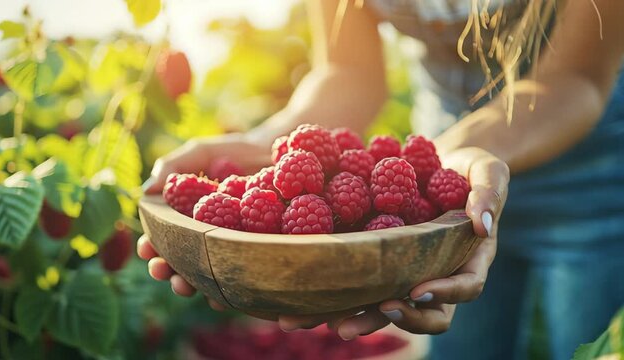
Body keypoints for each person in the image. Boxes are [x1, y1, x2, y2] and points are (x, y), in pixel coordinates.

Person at [138, 0, 624, 359]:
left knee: (590, 346)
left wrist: (435, 164)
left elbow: (574, 79)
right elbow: (350, 72)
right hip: (447, 179)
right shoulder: (422, 183)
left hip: (591, 178)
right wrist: (268, 141)